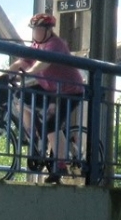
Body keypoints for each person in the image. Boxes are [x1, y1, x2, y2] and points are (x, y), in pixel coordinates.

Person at [8, 12, 86, 184]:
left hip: (70, 90)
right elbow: (21, 62)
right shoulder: (36, 45)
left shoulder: (55, 45)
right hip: (50, 88)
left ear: (48, 30)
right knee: (20, 96)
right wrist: (5, 76)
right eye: (34, 29)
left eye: (38, 29)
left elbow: (42, 63)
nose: (35, 32)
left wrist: (27, 73)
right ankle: (34, 138)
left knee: (51, 125)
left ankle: (60, 166)